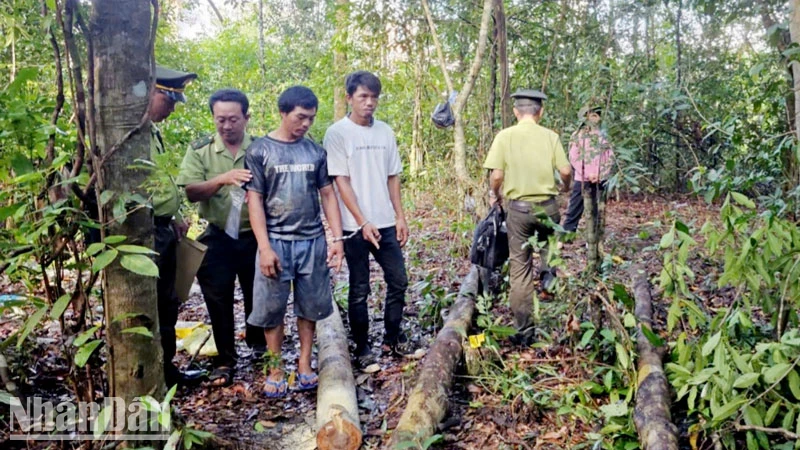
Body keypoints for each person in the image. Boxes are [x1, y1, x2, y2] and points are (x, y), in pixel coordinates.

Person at [245, 86, 344, 397]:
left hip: (311, 240)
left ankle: (304, 363)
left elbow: (327, 194)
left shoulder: (315, 152)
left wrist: (336, 238)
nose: (305, 124)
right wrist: (264, 247)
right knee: (271, 309)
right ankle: (275, 368)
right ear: (283, 112)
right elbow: (255, 200)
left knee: (310, 306)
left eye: (311, 119)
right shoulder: (260, 151)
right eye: (301, 117)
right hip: (275, 240)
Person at [176, 89, 266, 387]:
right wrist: (222, 179)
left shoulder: (261, 148)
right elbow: (190, 191)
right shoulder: (200, 150)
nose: (226, 126)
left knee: (259, 293)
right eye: (220, 120)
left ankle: (259, 346)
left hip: (254, 236)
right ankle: (226, 359)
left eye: (233, 119)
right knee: (218, 298)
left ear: (246, 118)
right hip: (216, 235)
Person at [323, 71, 411, 369]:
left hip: (385, 221)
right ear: (349, 98)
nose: (369, 103)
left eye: (374, 97)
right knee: (360, 286)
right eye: (363, 96)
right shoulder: (338, 133)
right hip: (353, 226)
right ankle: (362, 347)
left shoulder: (385, 131)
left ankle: (393, 337)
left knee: (398, 279)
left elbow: (392, 177)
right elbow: (341, 181)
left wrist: (400, 216)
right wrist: (361, 221)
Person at [483, 88, 571, 345]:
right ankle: (549, 286)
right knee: (549, 251)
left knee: (520, 270)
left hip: (519, 210)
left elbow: (497, 176)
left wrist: (495, 194)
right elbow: (565, 170)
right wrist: (564, 188)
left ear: (515, 112)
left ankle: (524, 334)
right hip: (548, 207)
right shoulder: (551, 137)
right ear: (540, 112)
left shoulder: (505, 136)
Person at [148, 65, 206, 388]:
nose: (171, 109)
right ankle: (153, 374)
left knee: (169, 301)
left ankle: (167, 371)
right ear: (150, 92)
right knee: (153, 302)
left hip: (164, 229)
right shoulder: (130, 131)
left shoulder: (153, 132)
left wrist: (174, 216)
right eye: (168, 100)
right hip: (145, 234)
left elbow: (158, 182)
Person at [561, 106, 614, 234]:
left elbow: (610, 157)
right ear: (585, 117)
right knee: (574, 208)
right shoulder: (578, 135)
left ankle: (594, 238)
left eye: (597, 115)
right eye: (591, 115)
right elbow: (574, 157)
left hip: (600, 178)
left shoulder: (604, 136)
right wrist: (586, 173)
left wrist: (600, 173)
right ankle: (565, 236)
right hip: (582, 178)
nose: (594, 117)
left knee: (597, 209)